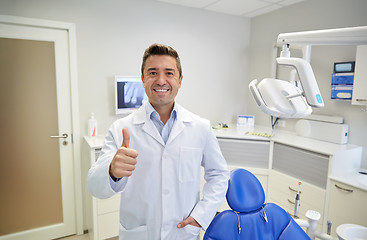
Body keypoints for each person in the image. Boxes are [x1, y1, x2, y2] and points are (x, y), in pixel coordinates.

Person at [87, 43, 229, 240]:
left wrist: (201, 215)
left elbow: (220, 174)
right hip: (139, 233)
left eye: (169, 73)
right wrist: (111, 171)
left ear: (180, 80)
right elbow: (95, 187)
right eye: (153, 72)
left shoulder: (200, 127)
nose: (161, 80)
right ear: (143, 79)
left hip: (183, 231)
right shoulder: (121, 129)